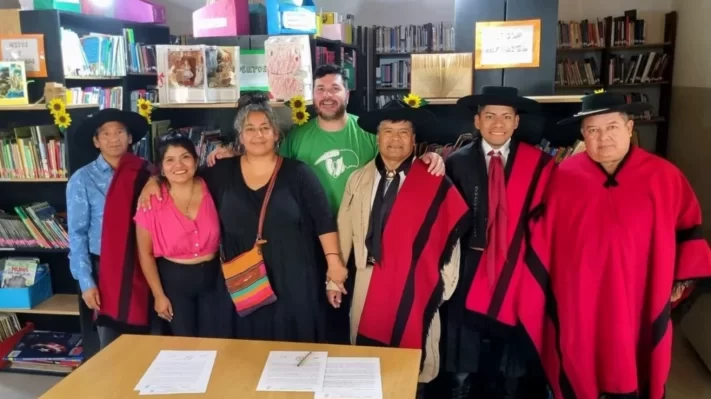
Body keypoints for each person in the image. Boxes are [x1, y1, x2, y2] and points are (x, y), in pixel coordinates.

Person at [207, 64, 445, 343]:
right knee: (324, 315)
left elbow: (396, 156)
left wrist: (429, 157)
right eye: (320, 89)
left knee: (364, 314)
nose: (327, 95)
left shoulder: (368, 131)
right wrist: (229, 153)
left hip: (361, 240)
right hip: (310, 242)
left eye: (335, 88)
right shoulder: (297, 136)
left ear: (347, 93)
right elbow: (263, 158)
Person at [520, 92, 711, 399]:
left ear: (630, 127)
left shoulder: (664, 177)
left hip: (640, 295)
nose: (602, 137)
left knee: (637, 358)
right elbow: (540, 237)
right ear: (582, 135)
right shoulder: (562, 177)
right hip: (579, 299)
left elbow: (689, 227)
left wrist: (682, 278)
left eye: (611, 127)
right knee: (579, 361)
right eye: (593, 130)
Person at [138, 94, 344, 343]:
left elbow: (324, 220)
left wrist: (334, 266)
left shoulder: (298, 173)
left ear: (276, 134)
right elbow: (184, 175)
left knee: (292, 349)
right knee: (244, 352)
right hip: (242, 278)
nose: (258, 135)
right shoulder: (222, 172)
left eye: (265, 128)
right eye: (250, 129)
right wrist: (154, 180)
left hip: (293, 276)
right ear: (241, 136)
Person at [329, 100, 468, 398]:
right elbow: (343, 232)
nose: (395, 139)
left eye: (403, 132)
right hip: (367, 278)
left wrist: (441, 289)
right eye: (387, 131)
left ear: (414, 140)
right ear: (377, 138)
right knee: (368, 363)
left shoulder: (433, 180)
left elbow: (449, 241)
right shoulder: (359, 179)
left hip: (414, 284)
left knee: (411, 366)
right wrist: (335, 279)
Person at [443, 86, 555, 399]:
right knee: (463, 324)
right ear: (477, 121)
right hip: (470, 260)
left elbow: (548, 218)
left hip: (517, 260)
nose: (498, 123)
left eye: (506, 116)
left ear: (516, 122)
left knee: (514, 322)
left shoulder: (538, 164)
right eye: (490, 116)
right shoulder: (456, 162)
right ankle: (461, 382)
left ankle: (510, 385)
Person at [66, 108, 153, 349]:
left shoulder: (147, 172)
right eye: (105, 134)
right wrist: (86, 282)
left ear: (130, 137)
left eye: (119, 132)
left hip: (143, 266)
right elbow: (77, 234)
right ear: (96, 141)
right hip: (104, 270)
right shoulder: (83, 179)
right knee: (111, 343)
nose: (113, 138)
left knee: (147, 342)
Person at [134, 133, 222, 337]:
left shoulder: (213, 187)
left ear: (196, 160)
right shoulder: (151, 201)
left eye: (185, 157)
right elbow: (145, 254)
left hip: (215, 279)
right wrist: (158, 295)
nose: (179, 165)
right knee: (185, 347)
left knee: (218, 342)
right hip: (174, 283)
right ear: (161, 167)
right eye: (170, 160)